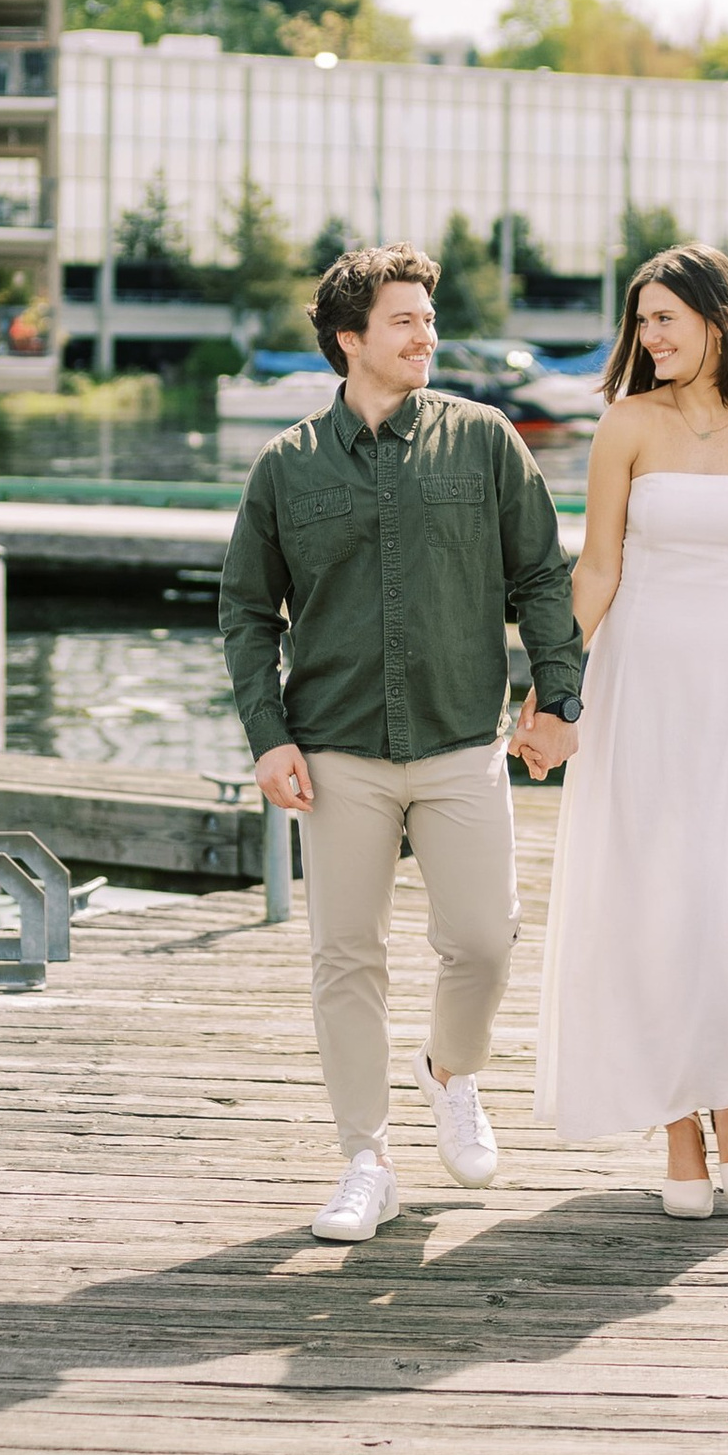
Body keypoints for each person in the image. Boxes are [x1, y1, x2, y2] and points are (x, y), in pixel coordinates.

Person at [220, 243, 585, 1243]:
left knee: (484, 941)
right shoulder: (286, 466)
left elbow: (540, 576)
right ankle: (366, 1161)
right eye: (403, 321)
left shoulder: (484, 441)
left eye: (428, 318)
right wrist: (267, 737)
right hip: (335, 748)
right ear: (350, 339)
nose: (426, 336)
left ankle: (450, 1072)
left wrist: (559, 695)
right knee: (346, 958)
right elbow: (246, 613)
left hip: (461, 738)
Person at [532, 243, 728, 1216]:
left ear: (717, 317)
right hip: (639, 682)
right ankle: (676, 1127)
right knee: (651, 892)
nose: (648, 337)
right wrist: (553, 684)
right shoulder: (626, 423)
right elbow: (597, 569)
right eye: (641, 321)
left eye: (665, 318)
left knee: (725, 894)